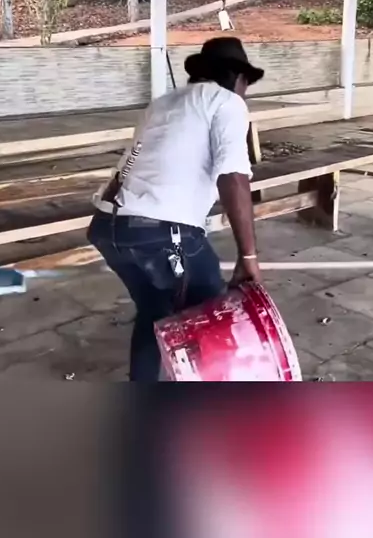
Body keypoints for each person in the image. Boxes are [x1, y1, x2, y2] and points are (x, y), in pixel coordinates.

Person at [87, 37, 264, 382]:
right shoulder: (226, 101)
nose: (245, 92)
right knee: (212, 316)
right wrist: (249, 256)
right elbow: (233, 176)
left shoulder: (163, 103)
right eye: (246, 83)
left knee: (154, 312)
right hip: (160, 233)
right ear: (237, 77)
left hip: (108, 228)